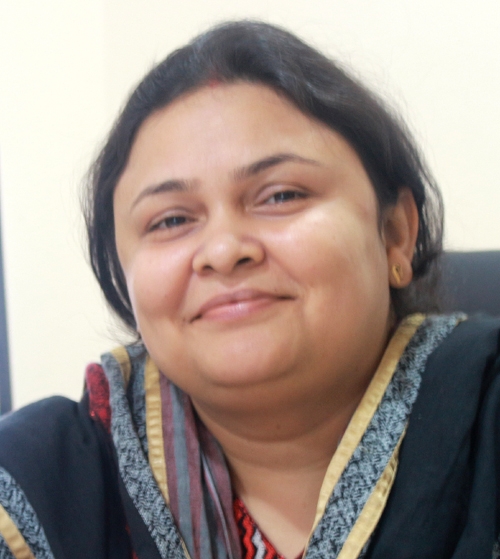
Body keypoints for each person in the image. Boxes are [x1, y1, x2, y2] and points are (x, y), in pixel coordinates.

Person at [0, 20, 499, 559]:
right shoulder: (40, 485)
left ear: (396, 233)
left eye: (281, 195)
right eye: (170, 220)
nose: (222, 250)